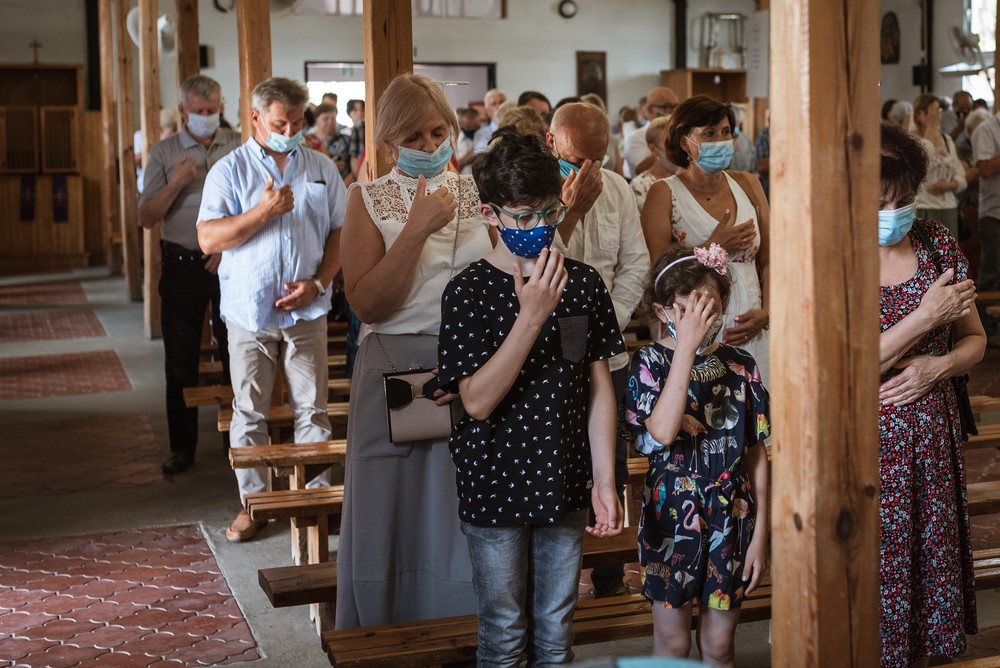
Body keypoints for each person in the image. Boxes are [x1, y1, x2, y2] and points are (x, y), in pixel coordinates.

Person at [438, 126, 624, 666]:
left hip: (564, 478)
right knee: (502, 634)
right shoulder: (468, 291)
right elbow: (475, 401)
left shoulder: (584, 283)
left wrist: (605, 480)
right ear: (491, 213)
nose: (540, 228)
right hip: (494, 482)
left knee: (555, 632)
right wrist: (531, 316)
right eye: (524, 216)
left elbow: (599, 389)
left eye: (549, 213)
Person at [335, 73, 492, 629]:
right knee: (396, 501)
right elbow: (368, 304)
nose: (429, 147)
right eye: (414, 137)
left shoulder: (478, 192)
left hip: (473, 366)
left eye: (437, 132)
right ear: (387, 143)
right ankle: (388, 622)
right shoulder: (368, 198)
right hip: (397, 364)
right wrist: (415, 231)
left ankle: (467, 619)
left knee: (463, 496)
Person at [197, 76, 346, 543]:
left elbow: (341, 232)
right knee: (250, 412)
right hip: (249, 312)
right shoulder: (229, 170)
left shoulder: (321, 166)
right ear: (256, 118)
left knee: (313, 409)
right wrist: (262, 213)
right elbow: (208, 238)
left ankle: (317, 500)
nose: (291, 129)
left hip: (308, 308)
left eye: (297, 121)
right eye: (281, 122)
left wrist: (319, 282)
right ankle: (253, 506)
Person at [624, 244, 769, 665]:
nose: (702, 322)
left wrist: (762, 534)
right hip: (671, 519)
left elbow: (756, 453)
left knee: (720, 646)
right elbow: (663, 431)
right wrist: (685, 347)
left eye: (712, 310)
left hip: (733, 515)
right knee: (673, 646)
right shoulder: (648, 362)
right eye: (689, 310)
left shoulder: (741, 365)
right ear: (663, 309)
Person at [877, 122, 985, 667]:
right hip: (866, 445)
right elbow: (847, 364)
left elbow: (975, 340)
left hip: (931, 440)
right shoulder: (833, 259)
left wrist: (939, 366)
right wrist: (922, 319)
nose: (894, 213)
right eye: (880, 202)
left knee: (927, 564)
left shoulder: (938, 244)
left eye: (905, 201)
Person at [546, 102, 650, 596]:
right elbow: (536, 265)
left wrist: (608, 327)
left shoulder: (618, 188)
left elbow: (635, 264)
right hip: (547, 354)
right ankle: (565, 574)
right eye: (577, 159)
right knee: (562, 463)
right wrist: (570, 208)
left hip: (609, 353)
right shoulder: (534, 190)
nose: (588, 171)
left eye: (598, 160)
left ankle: (608, 568)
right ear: (552, 144)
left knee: (610, 460)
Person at [139, 74, 241, 475]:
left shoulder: (235, 144)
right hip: (182, 264)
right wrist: (177, 183)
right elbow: (146, 216)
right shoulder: (164, 153)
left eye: (212, 110)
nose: (206, 117)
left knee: (237, 352)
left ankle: (237, 440)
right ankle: (183, 446)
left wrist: (227, 243)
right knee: (180, 360)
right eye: (198, 112)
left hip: (229, 261)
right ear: (182, 112)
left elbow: (252, 201)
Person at [641, 95, 771, 386]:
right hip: (696, 319)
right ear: (685, 141)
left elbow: (770, 259)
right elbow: (660, 274)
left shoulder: (747, 183)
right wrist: (715, 246)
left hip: (752, 319)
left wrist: (767, 311)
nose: (721, 140)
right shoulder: (664, 193)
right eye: (709, 133)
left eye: (726, 132)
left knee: (758, 412)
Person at [912, 94, 967, 240]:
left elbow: (961, 175)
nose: (938, 115)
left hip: (948, 207)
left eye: (939, 110)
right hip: (924, 206)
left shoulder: (946, 140)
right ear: (920, 115)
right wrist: (929, 128)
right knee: (926, 256)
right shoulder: (913, 140)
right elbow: (921, 164)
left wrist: (950, 185)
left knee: (948, 258)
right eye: (934, 110)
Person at [623, 87, 680, 179]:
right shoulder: (635, 138)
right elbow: (641, 169)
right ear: (649, 109)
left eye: (676, 106)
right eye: (667, 107)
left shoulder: (680, 133)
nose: (673, 111)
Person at [630, 116, 676, 214]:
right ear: (653, 149)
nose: (676, 149)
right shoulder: (640, 184)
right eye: (669, 144)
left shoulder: (690, 178)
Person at [306, 103, 354, 186]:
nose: (330, 122)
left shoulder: (346, 140)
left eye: (333, 119)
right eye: (325, 119)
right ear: (316, 120)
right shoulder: (307, 142)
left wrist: (342, 188)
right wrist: (327, 165)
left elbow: (355, 169)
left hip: (344, 186)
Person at [473, 88, 507, 153]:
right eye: (494, 104)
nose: (499, 106)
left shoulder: (518, 128)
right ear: (487, 110)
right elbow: (482, 159)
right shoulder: (481, 134)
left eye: (501, 102)